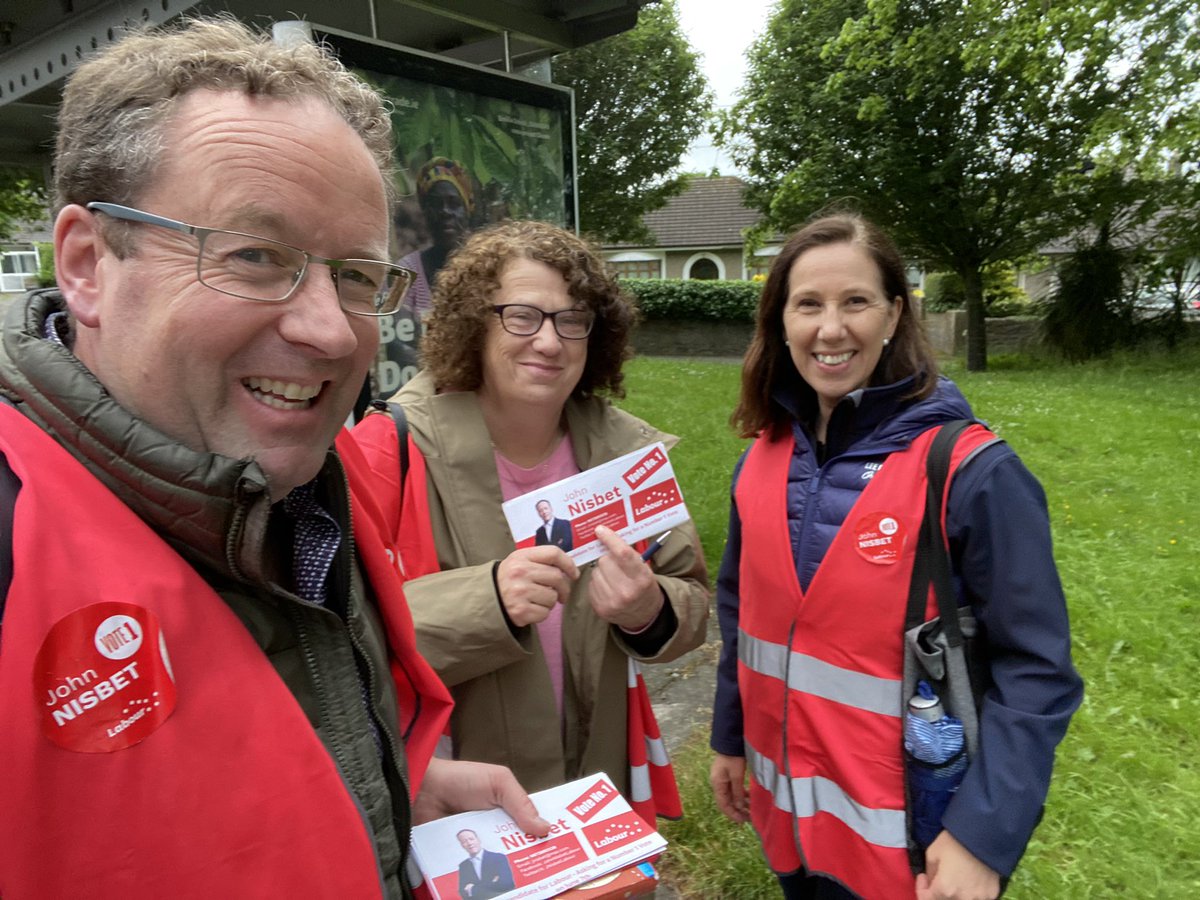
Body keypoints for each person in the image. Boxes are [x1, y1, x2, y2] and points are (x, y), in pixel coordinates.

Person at [0, 18, 549, 898]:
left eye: (360, 275)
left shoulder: (312, 488)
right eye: (256, 256)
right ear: (87, 263)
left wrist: (388, 794)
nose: (332, 330)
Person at [708, 214, 1083, 900]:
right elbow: (742, 619)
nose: (830, 329)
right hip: (791, 827)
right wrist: (729, 739)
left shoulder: (971, 471)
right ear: (779, 320)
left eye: (856, 301)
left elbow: (1037, 670)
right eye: (808, 304)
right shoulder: (759, 462)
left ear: (894, 314)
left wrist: (982, 838)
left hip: (917, 852)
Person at [352, 220, 710, 819]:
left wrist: (650, 610)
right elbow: (345, 633)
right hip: (456, 811)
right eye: (521, 316)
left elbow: (693, 602)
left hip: (598, 797)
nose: (549, 342)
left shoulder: (627, 456)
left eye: (572, 320)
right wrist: (486, 600)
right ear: (475, 324)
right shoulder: (390, 448)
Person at [398, 156, 475, 318]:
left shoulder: (487, 266)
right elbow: (394, 335)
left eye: (454, 204)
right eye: (435, 204)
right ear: (425, 213)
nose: (445, 211)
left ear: (467, 209)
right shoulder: (406, 271)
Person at [456, 828, 516, 899]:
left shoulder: (498, 858)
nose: (469, 843)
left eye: (471, 839)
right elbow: (463, 893)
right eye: (464, 841)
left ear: (478, 839)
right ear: (462, 845)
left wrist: (473, 888)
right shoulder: (463, 866)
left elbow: (506, 883)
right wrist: (492, 882)